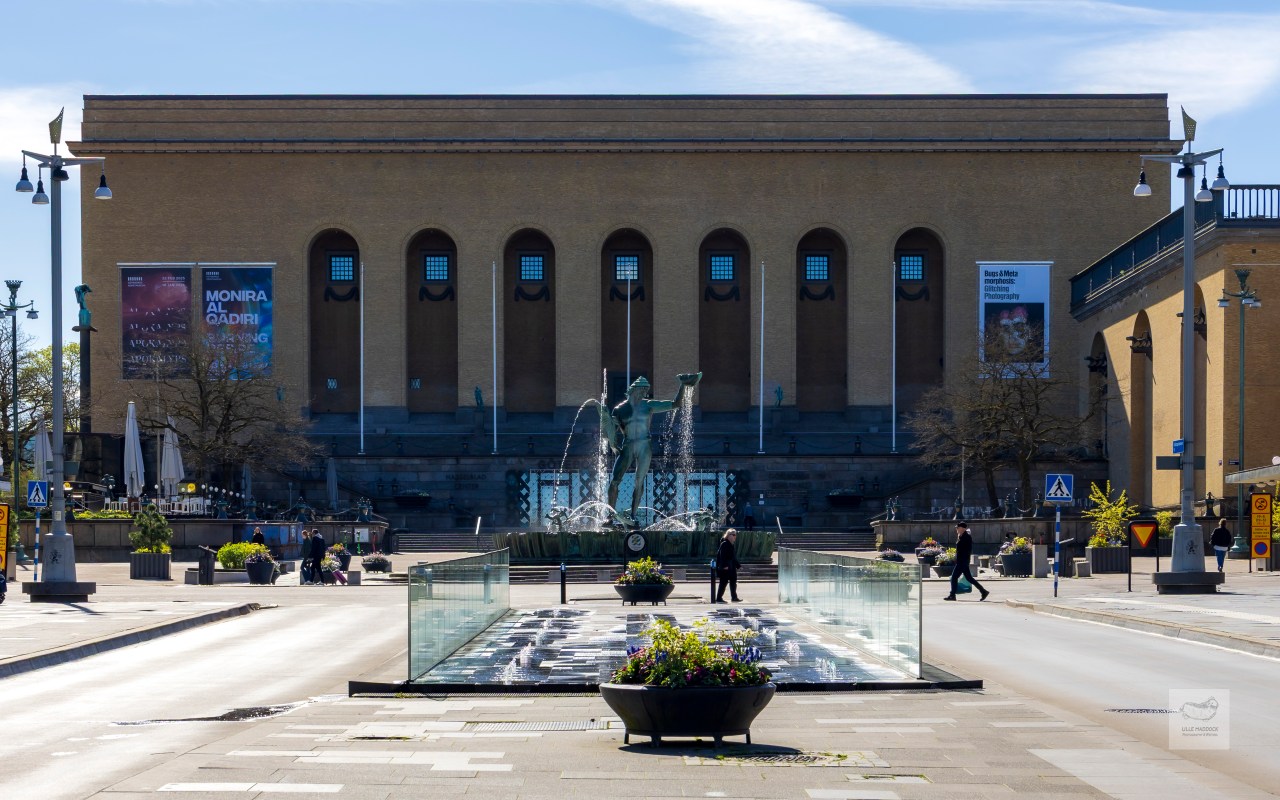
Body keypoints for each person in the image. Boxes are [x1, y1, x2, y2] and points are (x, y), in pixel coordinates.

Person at [600, 372, 701, 523]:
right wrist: (608, 430)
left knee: (639, 481)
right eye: (642, 391)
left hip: (644, 445)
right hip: (627, 445)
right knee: (614, 481)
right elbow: (610, 432)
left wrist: (682, 386)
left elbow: (676, 404)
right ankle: (609, 516)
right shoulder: (619, 409)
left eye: (645, 391)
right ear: (633, 391)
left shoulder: (648, 405)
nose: (644, 393)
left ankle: (633, 516)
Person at [945, 521, 989, 601]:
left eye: (958, 528)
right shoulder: (961, 536)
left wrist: (961, 560)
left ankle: (952, 595)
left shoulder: (967, 537)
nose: (956, 529)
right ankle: (983, 591)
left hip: (963, 561)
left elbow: (965, 550)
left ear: (962, 528)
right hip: (962, 561)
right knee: (969, 578)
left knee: (954, 577)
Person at [714, 528, 742, 603]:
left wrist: (738, 566)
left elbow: (733, 557)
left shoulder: (730, 544)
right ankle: (719, 598)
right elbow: (722, 556)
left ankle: (734, 597)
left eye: (735, 535)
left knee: (733, 582)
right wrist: (724, 565)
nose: (735, 536)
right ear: (729, 535)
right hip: (726, 567)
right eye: (733, 535)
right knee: (723, 582)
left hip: (731, 566)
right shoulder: (724, 544)